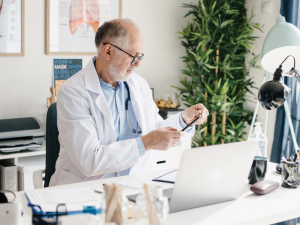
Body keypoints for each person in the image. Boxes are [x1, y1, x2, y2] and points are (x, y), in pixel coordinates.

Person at [49, 19, 209, 186]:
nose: (138, 64)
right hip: (85, 190)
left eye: (140, 57)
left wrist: (184, 120)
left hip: (132, 186)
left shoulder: (139, 85)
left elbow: (155, 129)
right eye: (133, 56)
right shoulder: (73, 91)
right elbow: (90, 160)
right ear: (108, 51)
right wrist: (146, 142)